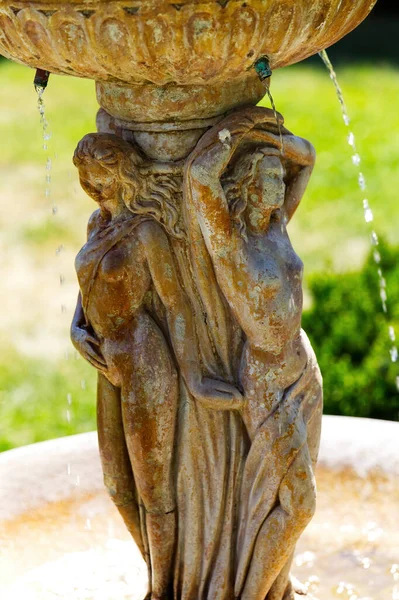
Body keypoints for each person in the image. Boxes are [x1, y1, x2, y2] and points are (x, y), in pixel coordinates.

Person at [70, 133, 243, 600]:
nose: (91, 187)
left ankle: (162, 589)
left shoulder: (146, 233)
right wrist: (76, 328)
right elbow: (86, 288)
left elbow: (177, 305)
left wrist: (194, 376)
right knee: (115, 483)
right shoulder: (95, 225)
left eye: (100, 177)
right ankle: (159, 565)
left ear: (125, 174)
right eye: (84, 178)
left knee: (153, 489)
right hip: (107, 359)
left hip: (147, 359)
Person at [184, 106, 323, 600]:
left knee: (285, 495)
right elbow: (200, 176)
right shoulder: (231, 246)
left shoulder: (277, 228)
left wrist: (271, 137)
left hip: (303, 368)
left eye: (276, 177)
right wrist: (237, 127)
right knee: (300, 503)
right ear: (245, 186)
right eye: (267, 176)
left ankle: (278, 583)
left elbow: (305, 158)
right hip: (266, 380)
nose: (279, 184)